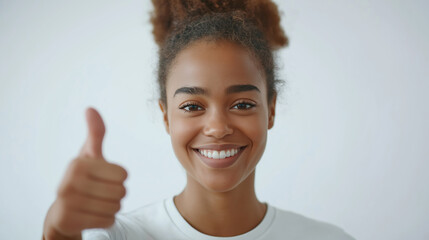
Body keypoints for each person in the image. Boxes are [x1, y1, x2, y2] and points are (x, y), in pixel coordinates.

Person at [42, 0, 355, 239]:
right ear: (166, 116)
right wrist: (58, 228)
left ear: (270, 109)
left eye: (243, 103)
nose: (218, 128)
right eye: (192, 106)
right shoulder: (118, 236)